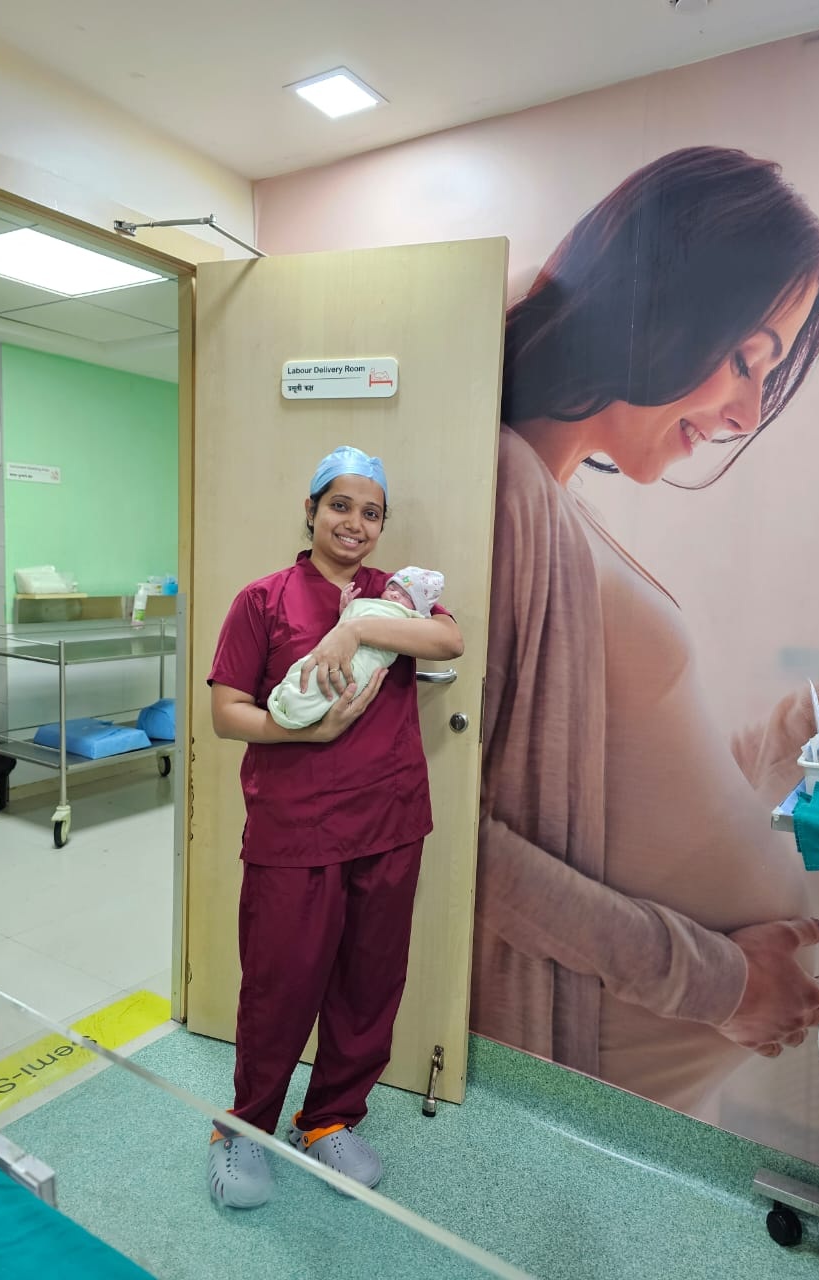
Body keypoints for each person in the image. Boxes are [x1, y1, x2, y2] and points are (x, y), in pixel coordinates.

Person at [472, 147, 819, 1115]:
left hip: (640, 1074)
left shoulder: (557, 502)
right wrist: (721, 983)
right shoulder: (505, 492)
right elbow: (440, 835)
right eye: (745, 359)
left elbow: (639, 790)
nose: (748, 412)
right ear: (655, 302)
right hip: (582, 1074)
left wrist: (817, 719)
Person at [207, 445, 463, 1208]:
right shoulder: (263, 601)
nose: (355, 523)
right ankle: (244, 1129)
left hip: (389, 820)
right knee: (281, 987)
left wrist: (354, 631)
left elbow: (449, 640)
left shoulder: (395, 595)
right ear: (312, 510)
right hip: (297, 829)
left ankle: (329, 1119)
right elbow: (227, 714)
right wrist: (305, 732)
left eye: (371, 512)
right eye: (340, 506)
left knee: (369, 984)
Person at [267, 566, 446, 729]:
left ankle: (298, 707)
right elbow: (345, 630)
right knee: (309, 668)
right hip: (332, 655)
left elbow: (450, 642)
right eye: (392, 588)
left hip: (359, 665)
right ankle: (291, 698)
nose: (395, 595)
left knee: (335, 683)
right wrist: (348, 610)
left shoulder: (411, 618)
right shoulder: (267, 592)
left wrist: (356, 628)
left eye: (406, 596)